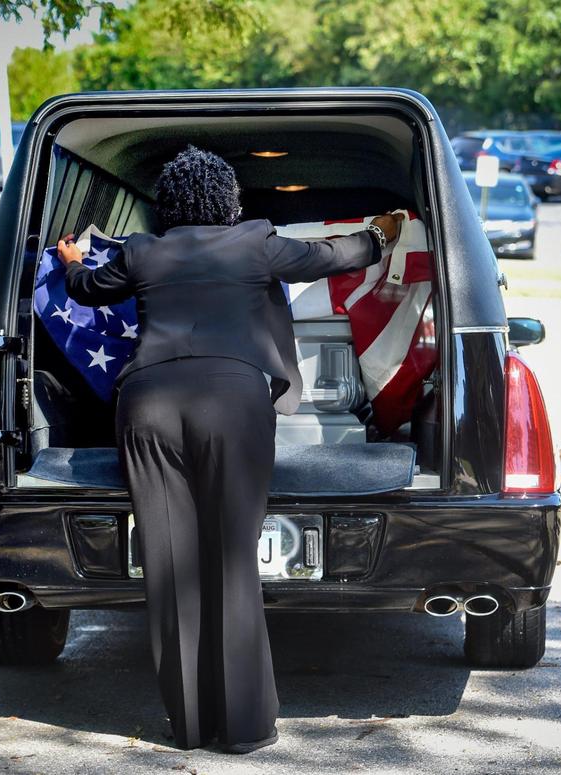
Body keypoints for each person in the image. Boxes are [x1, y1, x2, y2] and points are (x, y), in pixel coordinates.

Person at [57, 146, 403, 754]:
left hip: (148, 404)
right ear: (229, 201)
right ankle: (244, 727)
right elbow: (333, 256)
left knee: (168, 565)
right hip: (232, 404)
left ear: (166, 204)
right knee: (233, 558)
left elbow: (86, 290)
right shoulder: (256, 242)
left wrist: (70, 262)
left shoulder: (142, 250)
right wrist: (382, 231)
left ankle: (188, 726)